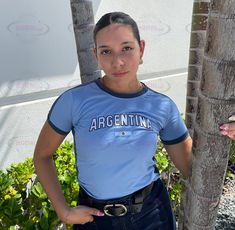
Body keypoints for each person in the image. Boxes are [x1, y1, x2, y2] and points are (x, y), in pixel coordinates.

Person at [33, 12, 235, 230]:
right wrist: (64, 211)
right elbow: (42, 155)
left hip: (152, 215)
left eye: (127, 48)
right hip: (95, 218)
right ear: (96, 55)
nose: (117, 61)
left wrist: (226, 130)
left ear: (142, 49)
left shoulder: (161, 106)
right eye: (106, 51)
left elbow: (190, 168)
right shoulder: (73, 101)